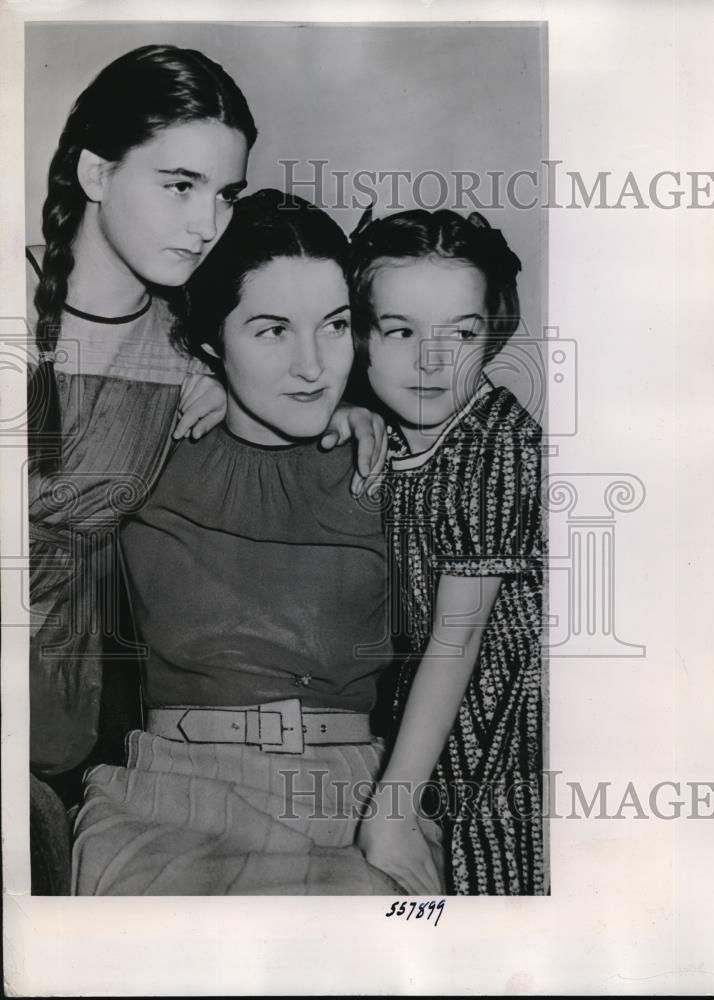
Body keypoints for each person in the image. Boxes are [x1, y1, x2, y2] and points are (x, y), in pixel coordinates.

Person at [26, 45, 385, 803]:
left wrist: (344, 411)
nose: (205, 224)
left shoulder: (184, 352)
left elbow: (277, 382)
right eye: (180, 186)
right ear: (96, 174)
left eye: (224, 194)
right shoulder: (15, 300)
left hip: (54, 703)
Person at [71, 190, 442, 895]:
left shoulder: (394, 462)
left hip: (356, 806)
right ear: (211, 339)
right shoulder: (146, 443)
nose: (312, 367)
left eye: (333, 326)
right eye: (272, 331)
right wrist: (182, 377)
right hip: (170, 804)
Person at [349, 208, 546, 895]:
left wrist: (393, 807)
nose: (431, 360)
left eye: (460, 334)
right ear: (361, 338)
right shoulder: (397, 432)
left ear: (491, 334)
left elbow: (458, 635)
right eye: (401, 331)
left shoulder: (498, 443)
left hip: (510, 742)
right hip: (434, 728)